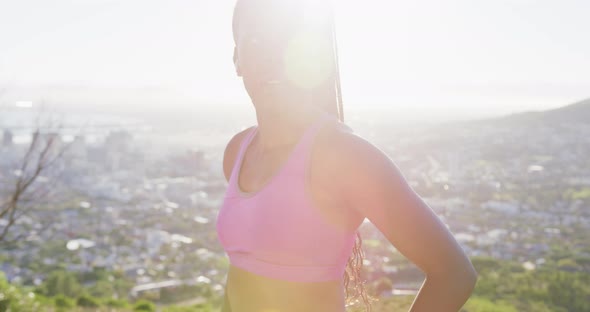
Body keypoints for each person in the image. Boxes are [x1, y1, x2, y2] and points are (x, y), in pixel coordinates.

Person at [216, 0, 478, 311]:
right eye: (258, 41)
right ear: (237, 58)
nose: (275, 58)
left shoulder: (344, 156)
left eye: (290, 42)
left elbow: (454, 274)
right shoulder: (238, 152)